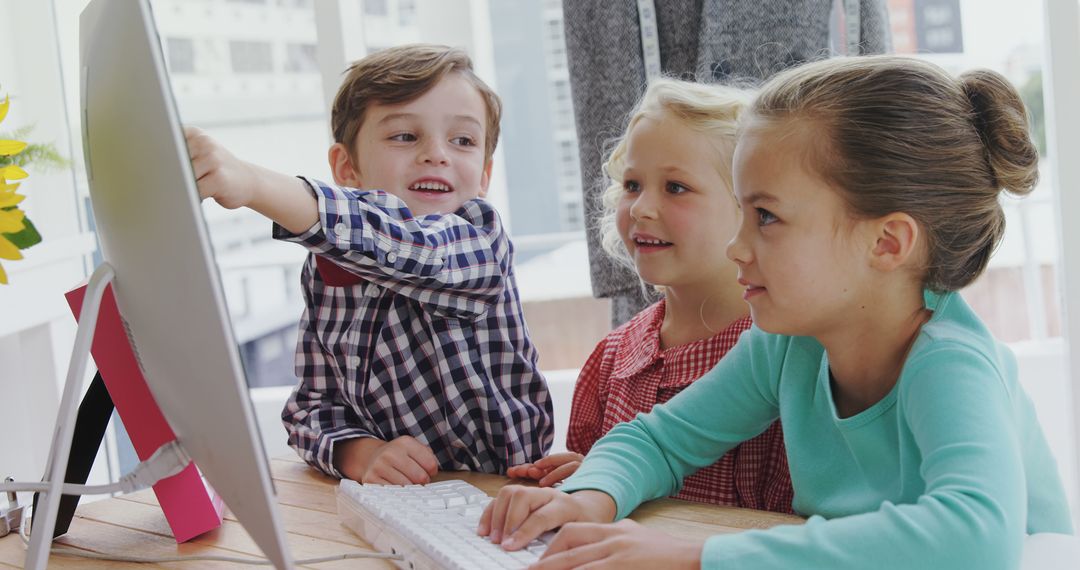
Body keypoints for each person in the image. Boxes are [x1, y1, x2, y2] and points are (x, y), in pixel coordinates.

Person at [478, 55, 1075, 569]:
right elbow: (661, 440)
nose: (737, 247)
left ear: (887, 243)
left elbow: (975, 539)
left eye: (766, 217)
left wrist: (697, 556)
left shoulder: (951, 362)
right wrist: (589, 497)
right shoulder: (790, 345)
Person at [184, 44, 553, 485]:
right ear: (346, 167)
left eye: (463, 141)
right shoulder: (325, 267)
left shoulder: (480, 240)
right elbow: (310, 410)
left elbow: (407, 248)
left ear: (485, 175)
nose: (437, 154)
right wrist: (362, 454)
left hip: (505, 489)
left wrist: (253, 184)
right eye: (404, 136)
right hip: (394, 502)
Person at [506, 78, 793, 514]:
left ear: (750, 209)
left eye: (675, 187)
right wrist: (589, 477)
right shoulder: (610, 360)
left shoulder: (790, 354)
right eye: (632, 185)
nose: (640, 208)